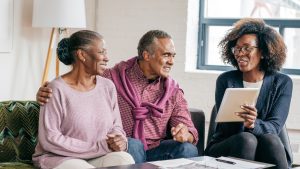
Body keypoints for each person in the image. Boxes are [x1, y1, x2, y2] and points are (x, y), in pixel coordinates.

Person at [36, 30, 199, 163]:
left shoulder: (173, 91)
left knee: (188, 148)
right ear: (147, 55)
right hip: (125, 147)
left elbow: (187, 126)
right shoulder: (112, 78)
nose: (171, 61)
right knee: (133, 145)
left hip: (156, 150)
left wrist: (186, 134)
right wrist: (44, 92)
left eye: (173, 56)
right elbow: (80, 82)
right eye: (166, 55)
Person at [32, 30, 134, 169]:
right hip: (60, 157)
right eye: (101, 52)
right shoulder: (55, 89)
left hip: (97, 155)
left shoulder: (108, 86)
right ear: (82, 54)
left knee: (124, 159)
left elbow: (116, 126)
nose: (107, 58)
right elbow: (50, 139)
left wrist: (119, 139)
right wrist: (98, 146)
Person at [204, 18, 293, 169]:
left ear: (264, 52)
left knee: (270, 139)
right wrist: (244, 125)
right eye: (237, 49)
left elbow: (275, 126)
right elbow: (226, 129)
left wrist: (253, 124)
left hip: (267, 148)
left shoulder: (282, 82)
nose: (240, 53)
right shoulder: (226, 80)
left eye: (246, 48)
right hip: (227, 145)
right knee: (247, 139)